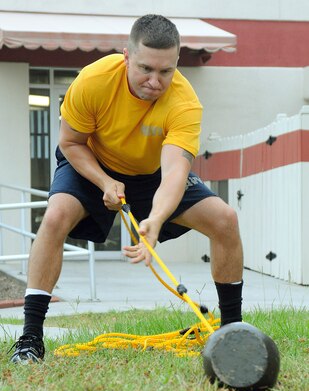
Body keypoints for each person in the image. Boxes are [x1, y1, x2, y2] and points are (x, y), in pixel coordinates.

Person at [10, 14, 243, 364]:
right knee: (56, 215)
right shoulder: (94, 81)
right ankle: (30, 339)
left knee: (225, 219)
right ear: (126, 56)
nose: (155, 81)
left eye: (166, 71)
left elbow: (174, 172)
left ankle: (232, 335)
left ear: (176, 63)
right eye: (146, 69)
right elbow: (71, 143)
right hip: (92, 161)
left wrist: (157, 218)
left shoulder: (185, 102)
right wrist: (104, 181)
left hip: (151, 175)